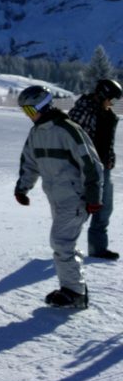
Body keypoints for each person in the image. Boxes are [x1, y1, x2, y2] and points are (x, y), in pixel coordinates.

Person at [14, 85, 105, 308]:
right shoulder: (36, 133)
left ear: (43, 106)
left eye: (30, 110)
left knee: (61, 242)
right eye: (25, 112)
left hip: (76, 197)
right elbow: (30, 162)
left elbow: (92, 165)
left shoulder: (67, 130)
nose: (29, 116)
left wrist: (94, 197)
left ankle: (75, 292)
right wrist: (22, 188)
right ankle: (73, 287)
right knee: (65, 243)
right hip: (56, 197)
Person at [68, 78, 121, 260]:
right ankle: (65, 248)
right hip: (86, 168)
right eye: (111, 99)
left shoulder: (108, 114)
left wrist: (110, 158)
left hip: (103, 167)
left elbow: (108, 141)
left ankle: (97, 249)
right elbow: (71, 137)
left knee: (104, 208)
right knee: (81, 209)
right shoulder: (83, 109)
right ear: (102, 95)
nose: (112, 103)